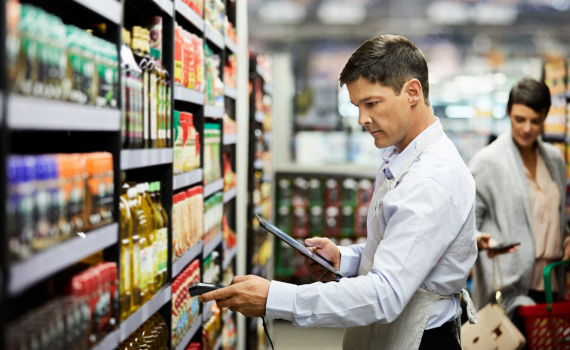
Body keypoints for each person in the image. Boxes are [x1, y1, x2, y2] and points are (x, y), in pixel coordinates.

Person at [199, 35, 478, 350]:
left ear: (412, 92)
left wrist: (274, 298)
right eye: (357, 106)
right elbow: (399, 249)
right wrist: (343, 260)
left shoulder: (431, 178)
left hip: (419, 341)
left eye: (371, 103)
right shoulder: (401, 156)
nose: (362, 119)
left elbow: (384, 294)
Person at [469, 78, 570, 341]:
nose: (526, 128)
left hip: (551, 287)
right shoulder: (488, 162)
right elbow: (467, 225)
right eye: (519, 119)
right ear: (508, 113)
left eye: (535, 121)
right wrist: (481, 239)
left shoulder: (555, 161)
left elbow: (556, 218)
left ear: (546, 117)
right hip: (508, 292)